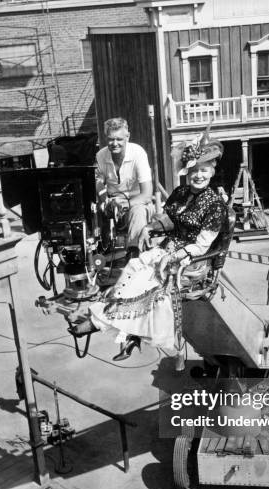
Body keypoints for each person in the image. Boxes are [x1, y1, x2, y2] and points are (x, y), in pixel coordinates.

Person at [71, 131, 226, 360]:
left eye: (203, 171)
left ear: (212, 172)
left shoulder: (214, 205)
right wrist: (149, 228)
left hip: (191, 260)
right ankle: (123, 331)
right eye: (194, 171)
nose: (198, 176)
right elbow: (169, 219)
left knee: (147, 282)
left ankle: (102, 325)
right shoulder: (182, 193)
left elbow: (202, 246)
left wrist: (174, 256)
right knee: (134, 267)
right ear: (187, 173)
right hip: (168, 247)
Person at [94, 117, 153, 259]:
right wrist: (106, 201)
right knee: (92, 209)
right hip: (113, 201)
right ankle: (97, 253)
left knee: (137, 211)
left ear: (128, 136)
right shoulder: (101, 155)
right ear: (106, 138)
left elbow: (146, 194)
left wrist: (125, 204)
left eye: (119, 139)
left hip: (137, 200)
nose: (115, 143)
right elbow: (97, 182)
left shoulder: (138, 153)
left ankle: (134, 253)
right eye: (110, 139)